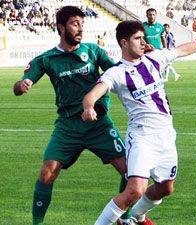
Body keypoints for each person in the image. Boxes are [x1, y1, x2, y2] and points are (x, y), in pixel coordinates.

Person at [81, 20, 196, 225]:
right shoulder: (116, 73)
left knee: (165, 188)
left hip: (166, 135)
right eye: (138, 39)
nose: (144, 42)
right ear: (124, 43)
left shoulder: (155, 58)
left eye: (144, 38)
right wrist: (89, 107)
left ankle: (135, 217)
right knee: (135, 189)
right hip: (142, 136)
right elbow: (92, 94)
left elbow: (182, 50)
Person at [13, 6, 128, 225]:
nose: (80, 29)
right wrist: (23, 84)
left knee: (131, 172)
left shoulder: (93, 51)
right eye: (75, 24)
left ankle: (128, 219)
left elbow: (116, 72)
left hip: (99, 125)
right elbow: (18, 88)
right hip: (68, 127)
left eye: (82, 24)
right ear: (60, 27)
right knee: (47, 172)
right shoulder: (47, 59)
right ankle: (37, 223)